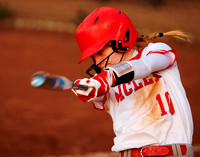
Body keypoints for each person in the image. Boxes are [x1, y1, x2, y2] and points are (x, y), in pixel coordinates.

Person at [72, 6, 194, 157]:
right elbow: (97, 93)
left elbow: (146, 65)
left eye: (100, 52)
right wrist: (85, 88)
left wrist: (109, 77)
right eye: (93, 57)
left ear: (121, 40)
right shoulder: (106, 83)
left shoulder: (155, 51)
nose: (97, 62)